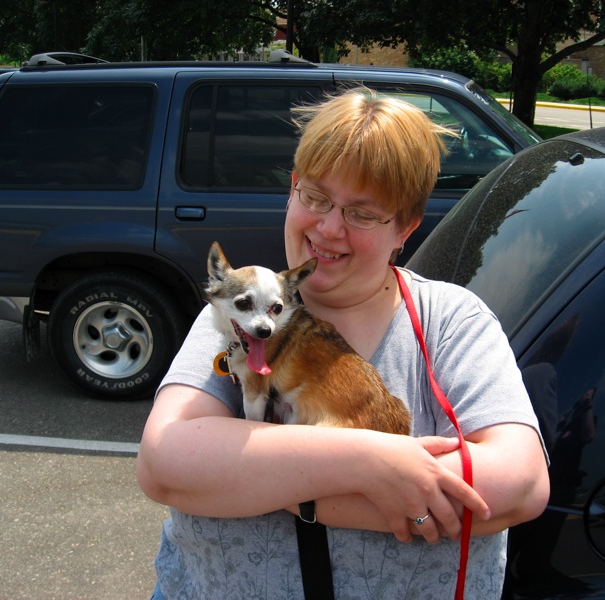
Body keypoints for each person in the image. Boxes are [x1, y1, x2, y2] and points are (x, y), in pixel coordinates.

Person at [136, 88, 549, 599]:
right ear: (292, 190)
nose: (329, 228)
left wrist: (267, 481)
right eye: (316, 197)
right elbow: (166, 465)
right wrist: (372, 463)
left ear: (406, 227)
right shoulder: (236, 319)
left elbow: (516, 486)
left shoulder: (451, 323)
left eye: (362, 213)